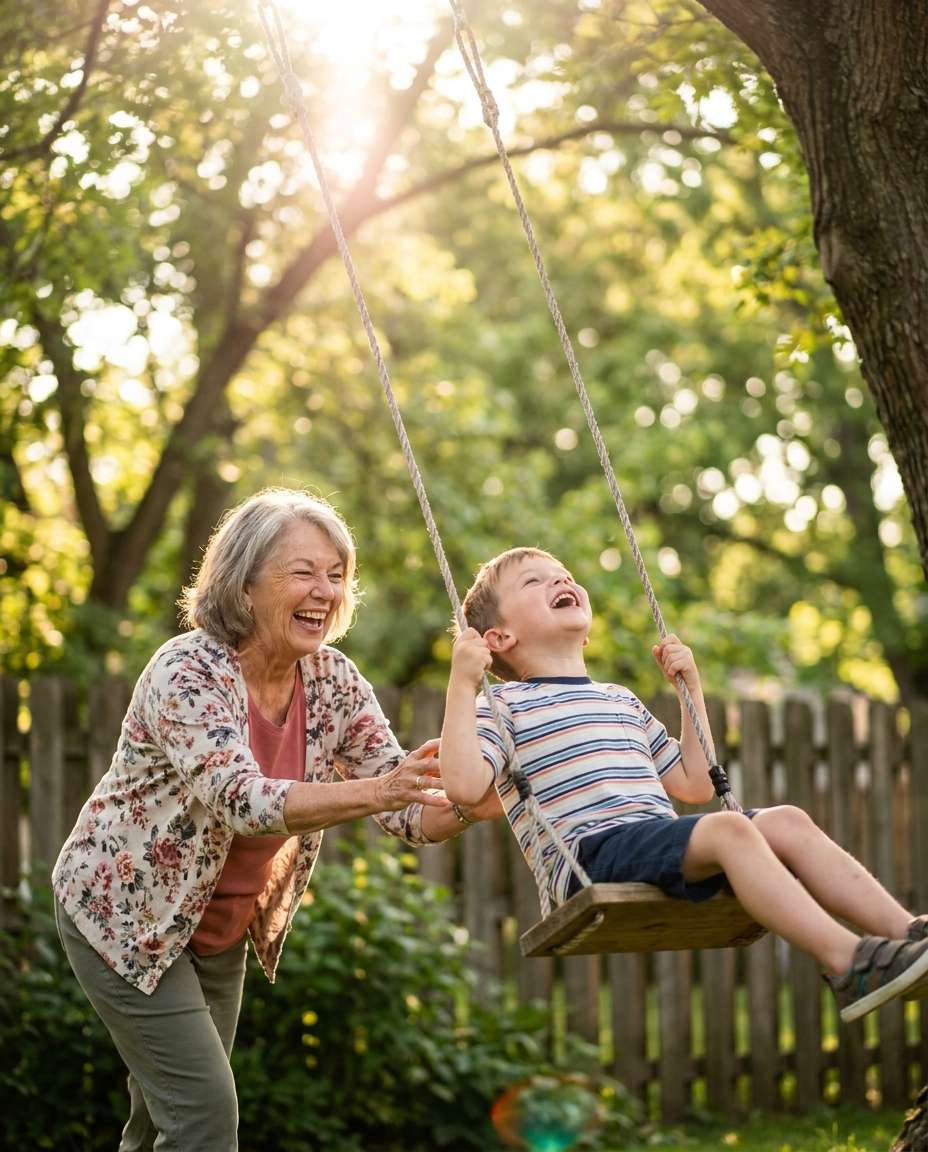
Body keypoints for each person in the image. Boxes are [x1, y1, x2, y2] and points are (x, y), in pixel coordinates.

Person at [53, 488, 498, 1151]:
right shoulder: (188, 671)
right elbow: (245, 801)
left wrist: (479, 800)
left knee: (159, 1125)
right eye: (304, 571)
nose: (326, 589)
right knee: (204, 1118)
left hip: (219, 930)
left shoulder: (333, 680)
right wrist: (382, 791)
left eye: (338, 575)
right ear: (244, 580)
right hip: (125, 915)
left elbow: (406, 809)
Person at [439, 546, 928, 1024]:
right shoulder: (501, 707)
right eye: (535, 581)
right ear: (498, 638)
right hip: (589, 858)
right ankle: (850, 963)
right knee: (730, 831)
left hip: (655, 843)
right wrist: (462, 684)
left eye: (563, 574)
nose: (561, 582)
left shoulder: (620, 701)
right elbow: (463, 786)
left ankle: (906, 934)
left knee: (787, 821)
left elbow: (694, 783)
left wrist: (689, 690)